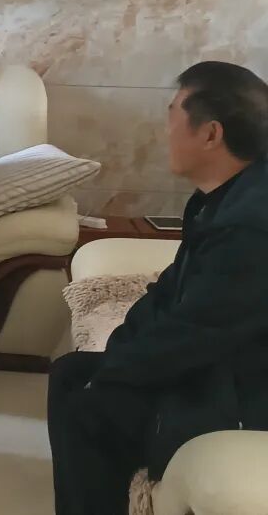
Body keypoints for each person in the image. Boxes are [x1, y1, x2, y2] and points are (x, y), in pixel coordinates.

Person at [48, 61, 268, 515]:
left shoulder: (249, 228)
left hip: (240, 390)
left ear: (210, 134)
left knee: (87, 408)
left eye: (172, 116)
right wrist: (120, 349)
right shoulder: (220, 197)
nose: (165, 131)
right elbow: (172, 289)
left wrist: (113, 372)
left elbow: (194, 336)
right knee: (70, 373)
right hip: (215, 360)